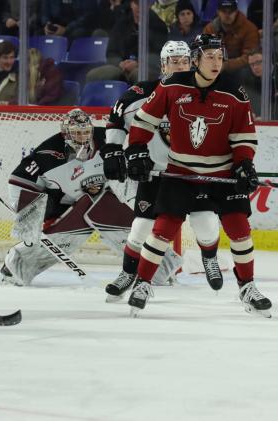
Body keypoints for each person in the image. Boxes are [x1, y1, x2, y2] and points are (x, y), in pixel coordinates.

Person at [123, 34, 272, 317]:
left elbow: (244, 136)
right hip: (181, 172)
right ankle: (142, 284)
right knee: (162, 229)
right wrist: (137, 150)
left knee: (240, 230)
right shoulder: (172, 86)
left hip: (223, 172)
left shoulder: (234, 92)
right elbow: (144, 121)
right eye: (209, 57)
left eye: (219, 57)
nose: (216, 63)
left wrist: (244, 164)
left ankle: (248, 287)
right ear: (195, 60)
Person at [101, 40, 224, 303]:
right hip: (156, 175)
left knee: (206, 223)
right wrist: (113, 150)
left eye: (183, 61)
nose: (179, 66)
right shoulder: (141, 92)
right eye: (173, 61)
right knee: (140, 227)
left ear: (191, 63)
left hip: (194, 173)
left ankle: (210, 258)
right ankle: (127, 273)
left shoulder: (206, 93)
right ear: (163, 65)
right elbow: (116, 118)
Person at [0, 109, 134, 286]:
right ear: (66, 132)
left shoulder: (106, 138)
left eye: (86, 132)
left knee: (123, 222)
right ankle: (17, 264)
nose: (82, 137)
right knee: (64, 241)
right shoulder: (48, 152)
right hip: (60, 204)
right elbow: (19, 180)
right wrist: (28, 215)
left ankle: (153, 266)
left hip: (99, 197)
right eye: (77, 133)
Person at [86, 0, 167, 83]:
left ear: (150, 5)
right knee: (93, 75)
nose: (140, 8)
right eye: (136, 3)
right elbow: (111, 52)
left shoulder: (158, 25)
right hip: (121, 67)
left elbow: (158, 54)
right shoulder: (122, 23)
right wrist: (120, 63)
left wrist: (137, 63)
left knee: (138, 75)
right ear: (131, 4)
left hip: (146, 67)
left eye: (143, 4)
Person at [203, 0, 260, 74]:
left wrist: (225, 65)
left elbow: (249, 57)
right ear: (218, 12)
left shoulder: (249, 28)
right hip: (217, 66)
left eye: (230, 11)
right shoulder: (210, 29)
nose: (227, 15)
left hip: (241, 69)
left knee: (245, 71)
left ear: (236, 11)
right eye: (224, 11)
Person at [241, 48, 278, 119]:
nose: (255, 67)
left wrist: (266, 117)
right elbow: (247, 102)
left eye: (258, 62)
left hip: (277, 120)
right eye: (252, 64)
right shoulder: (248, 77)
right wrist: (250, 114)